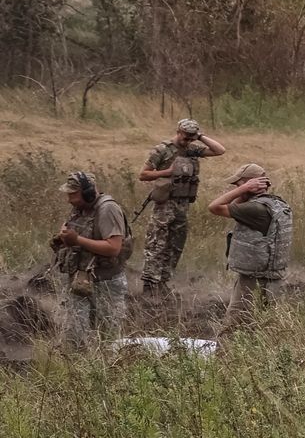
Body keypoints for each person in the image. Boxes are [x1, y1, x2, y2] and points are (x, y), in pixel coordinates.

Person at [138, 117, 227, 295]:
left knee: (176, 244)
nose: (187, 141)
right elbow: (143, 174)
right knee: (157, 244)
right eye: (185, 137)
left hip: (183, 204)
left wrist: (200, 136)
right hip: (165, 204)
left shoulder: (192, 149)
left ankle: (163, 281)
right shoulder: (163, 149)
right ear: (178, 132)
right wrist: (167, 172)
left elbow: (220, 151)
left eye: (191, 138)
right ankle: (149, 284)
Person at [208, 162, 293, 329]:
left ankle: (224, 355)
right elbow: (236, 206)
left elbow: (214, 207)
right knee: (266, 329)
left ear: (250, 184)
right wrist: (245, 190)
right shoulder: (276, 205)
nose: (236, 187)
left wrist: (242, 189)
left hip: (253, 282)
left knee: (233, 329)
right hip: (273, 280)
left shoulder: (255, 209)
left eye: (238, 184)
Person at [50, 172, 130, 346]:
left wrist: (77, 240)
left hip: (105, 282)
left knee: (108, 339)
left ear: (88, 193)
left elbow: (113, 247)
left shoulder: (108, 209)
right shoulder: (80, 209)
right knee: (73, 335)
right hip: (80, 280)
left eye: (73, 195)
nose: (69, 200)